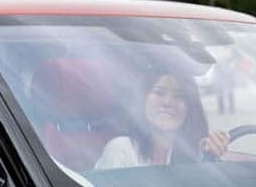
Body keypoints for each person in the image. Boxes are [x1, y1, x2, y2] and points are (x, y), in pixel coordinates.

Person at [96, 68, 229, 168]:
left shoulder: (197, 152)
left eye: (179, 96)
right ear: (143, 99)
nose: (167, 102)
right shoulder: (122, 149)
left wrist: (211, 157)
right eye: (159, 92)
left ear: (190, 107)